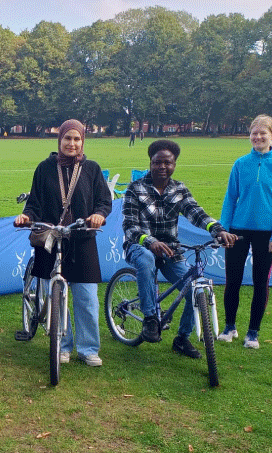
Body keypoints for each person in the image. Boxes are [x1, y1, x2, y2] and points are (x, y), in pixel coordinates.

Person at [122, 139, 235, 359]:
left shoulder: (179, 189)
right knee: (145, 258)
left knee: (196, 288)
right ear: (150, 163)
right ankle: (150, 319)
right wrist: (149, 241)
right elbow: (129, 226)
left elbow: (197, 213)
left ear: (174, 164)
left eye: (168, 163)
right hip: (140, 246)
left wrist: (218, 230)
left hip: (171, 251)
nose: (162, 167)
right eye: (157, 162)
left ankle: (182, 339)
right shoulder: (135, 188)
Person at [14, 120, 111, 366]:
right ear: (59, 140)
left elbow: (103, 200)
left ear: (83, 142)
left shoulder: (92, 168)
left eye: (77, 139)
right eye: (68, 138)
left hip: (82, 240)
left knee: (86, 298)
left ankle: (88, 348)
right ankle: (62, 345)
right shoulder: (45, 168)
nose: (72, 144)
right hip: (51, 239)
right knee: (54, 295)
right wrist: (26, 216)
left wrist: (99, 214)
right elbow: (34, 203)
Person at [218, 115, 272, 349]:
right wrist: (222, 230)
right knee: (233, 280)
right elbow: (230, 198)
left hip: (266, 233)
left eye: (263, 133)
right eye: (254, 133)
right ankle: (230, 327)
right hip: (237, 230)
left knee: (261, 282)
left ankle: (253, 333)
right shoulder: (240, 163)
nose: (258, 137)